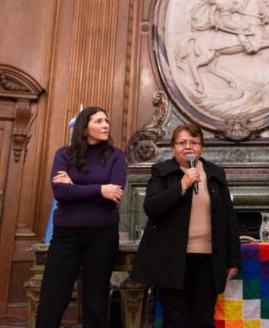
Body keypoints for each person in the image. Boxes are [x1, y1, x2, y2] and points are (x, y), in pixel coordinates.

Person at [131, 123, 241, 327]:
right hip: (172, 260)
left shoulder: (215, 173)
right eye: (182, 142)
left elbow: (229, 218)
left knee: (203, 319)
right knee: (176, 319)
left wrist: (233, 259)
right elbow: (152, 207)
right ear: (173, 147)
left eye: (194, 142)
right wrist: (182, 185)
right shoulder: (162, 172)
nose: (188, 147)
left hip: (208, 259)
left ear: (202, 147)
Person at [36, 106, 127, 328]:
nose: (105, 125)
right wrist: (99, 189)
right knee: (53, 297)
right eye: (98, 121)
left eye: (106, 120)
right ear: (84, 128)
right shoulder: (64, 154)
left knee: (95, 300)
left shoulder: (116, 156)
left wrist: (76, 187)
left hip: (103, 234)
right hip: (67, 234)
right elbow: (60, 192)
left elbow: (114, 194)